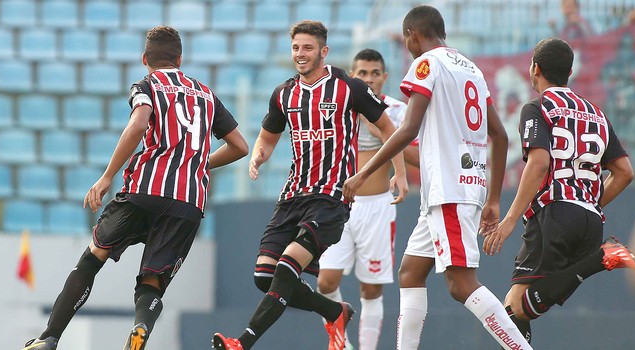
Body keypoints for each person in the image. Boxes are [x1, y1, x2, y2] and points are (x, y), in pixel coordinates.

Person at [21, 25, 249, 350]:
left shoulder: (146, 85)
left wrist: (106, 176)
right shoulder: (206, 94)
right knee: (153, 281)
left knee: (93, 257)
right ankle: (140, 329)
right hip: (188, 201)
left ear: (145, 59)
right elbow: (240, 146)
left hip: (145, 190)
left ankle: (49, 338)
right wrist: (197, 162)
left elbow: (139, 123)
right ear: (180, 59)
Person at [343, 5, 533, 350]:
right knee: (411, 273)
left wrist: (364, 173)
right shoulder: (471, 68)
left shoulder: (427, 63)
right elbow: (501, 136)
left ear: (412, 36)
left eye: (407, 42)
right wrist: (492, 198)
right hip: (456, 189)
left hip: (449, 190)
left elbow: (407, 129)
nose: (409, 48)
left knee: (461, 285)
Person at [212, 20, 408, 350]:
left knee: (288, 268)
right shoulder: (283, 93)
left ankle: (242, 342)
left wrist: (399, 173)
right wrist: (258, 155)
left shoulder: (349, 86)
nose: (300, 54)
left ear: (323, 51)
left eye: (307, 48)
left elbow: (390, 128)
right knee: (264, 277)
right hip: (291, 196)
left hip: (331, 197)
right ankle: (335, 311)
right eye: (296, 48)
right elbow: (268, 137)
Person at [482, 37, 635, 344]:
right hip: (591, 219)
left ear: (535, 69)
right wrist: (590, 203)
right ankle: (599, 257)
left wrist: (511, 219)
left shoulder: (537, 108)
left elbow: (539, 162)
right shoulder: (597, 114)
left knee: (512, 312)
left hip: (553, 213)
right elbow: (624, 173)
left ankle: (601, 258)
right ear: (569, 73)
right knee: (514, 310)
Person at [316, 48, 417, 350]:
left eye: (375, 73)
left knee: (371, 288)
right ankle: (342, 344)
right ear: (352, 75)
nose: (369, 79)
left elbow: (416, 155)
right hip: (338, 205)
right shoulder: (338, 108)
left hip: (377, 207)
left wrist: (384, 131)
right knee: (325, 283)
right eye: (362, 73)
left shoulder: (396, 111)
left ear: (385, 77)